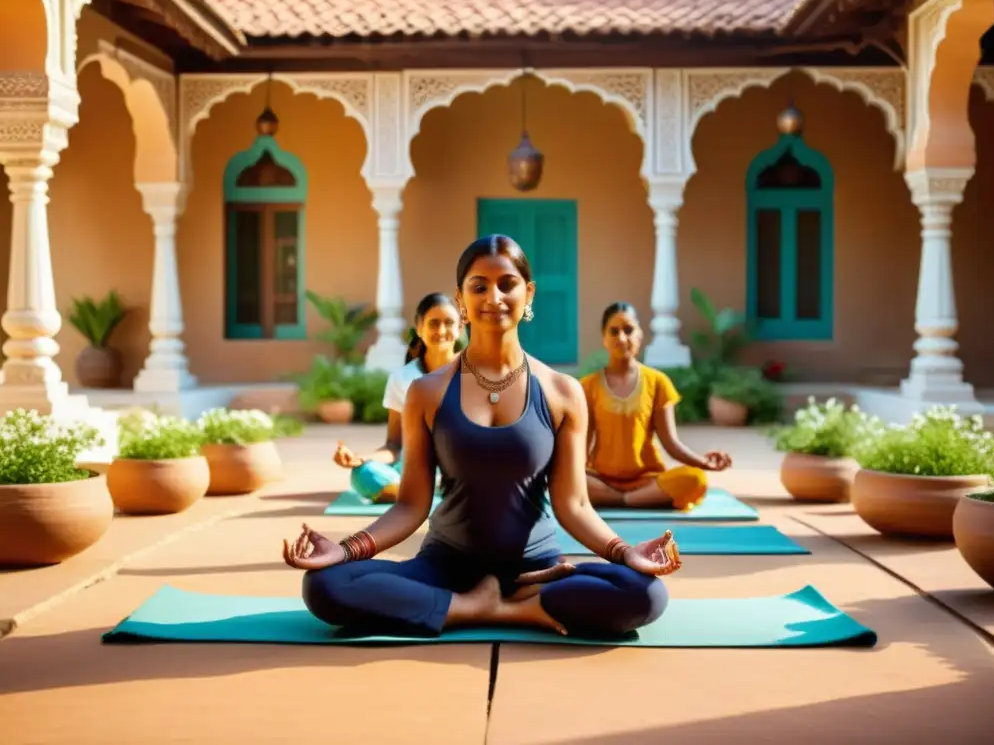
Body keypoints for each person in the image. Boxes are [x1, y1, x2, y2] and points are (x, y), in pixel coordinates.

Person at [283, 236, 679, 638]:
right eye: (479, 286)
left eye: (507, 283)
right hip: (445, 567)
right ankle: (497, 610)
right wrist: (345, 549)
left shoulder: (562, 392)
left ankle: (476, 608)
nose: (494, 296)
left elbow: (574, 504)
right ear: (461, 299)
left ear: (529, 293)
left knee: (645, 593)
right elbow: (411, 505)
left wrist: (626, 552)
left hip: (536, 571)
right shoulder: (428, 391)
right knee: (324, 585)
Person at [581, 302, 732, 509]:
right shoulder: (588, 386)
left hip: (648, 480)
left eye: (628, 330)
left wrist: (703, 463)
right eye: (614, 331)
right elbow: (581, 446)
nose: (622, 338)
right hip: (601, 480)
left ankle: (622, 500)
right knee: (560, 478)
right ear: (604, 337)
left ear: (640, 335)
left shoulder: (658, 382)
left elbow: (671, 443)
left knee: (695, 479)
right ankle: (635, 500)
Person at [333, 292, 461, 503]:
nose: (441, 330)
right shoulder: (402, 378)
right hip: (415, 470)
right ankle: (424, 490)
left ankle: (417, 493)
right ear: (419, 329)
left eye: (448, 323)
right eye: (433, 323)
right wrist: (361, 459)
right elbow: (394, 446)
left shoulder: (474, 374)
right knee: (363, 474)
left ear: (460, 328)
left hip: (462, 470)